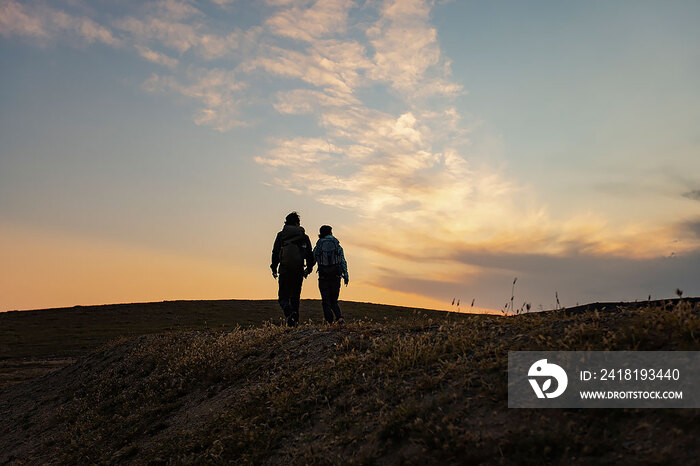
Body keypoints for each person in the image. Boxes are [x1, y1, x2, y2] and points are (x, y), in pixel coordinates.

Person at [270, 212, 315, 326]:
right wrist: (308, 269)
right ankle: (294, 324)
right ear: (297, 223)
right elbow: (309, 254)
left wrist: (274, 267)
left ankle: (290, 313)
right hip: (298, 270)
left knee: (283, 297)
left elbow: (275, 252)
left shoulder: (281, 235)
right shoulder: (304, 237)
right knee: (295, 297)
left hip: (284, 269)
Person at [313, 225, 349, 324]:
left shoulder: (319, 245)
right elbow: (342, 261)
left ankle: (329, 322)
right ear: (330, 232)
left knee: (325, 301)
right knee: (334, 300)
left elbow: (313, 259)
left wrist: (307, 270)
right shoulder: (337, 245)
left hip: (323, 275)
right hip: (336, 275)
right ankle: (340, 318)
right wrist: (345, 275)